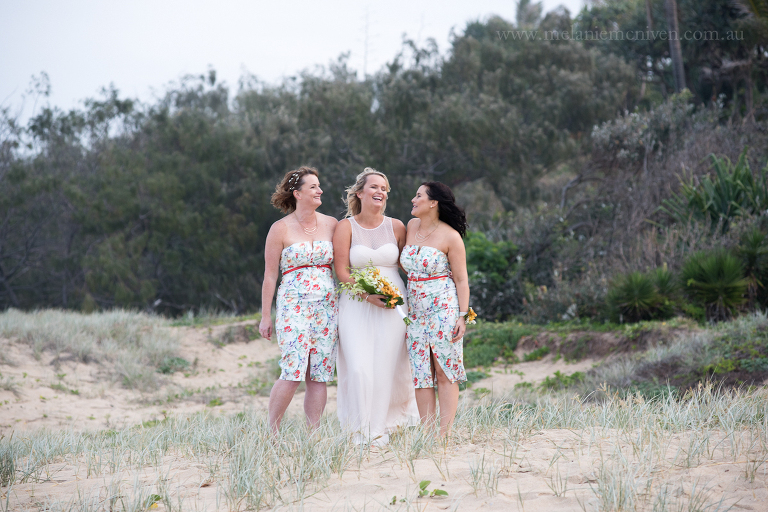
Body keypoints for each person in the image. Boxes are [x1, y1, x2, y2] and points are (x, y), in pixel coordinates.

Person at [333, 167, 419, 445]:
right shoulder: (345, 227)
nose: (380, 192)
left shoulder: (397, 226)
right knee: (358, 367)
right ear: (360, 193)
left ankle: (383, 428)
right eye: (374, 187)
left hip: (393, 306)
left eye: (384, 188)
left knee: (386, 366)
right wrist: (367, 294)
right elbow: (342, 271)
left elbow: (409, 264)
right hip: (355, 304)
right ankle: (360, 430)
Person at [259, 167, 339, 434]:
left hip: (326, 308)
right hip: (294, 306)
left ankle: (312, 436)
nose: (320, 190)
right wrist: (266, 316)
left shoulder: (332, 224)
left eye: (319, 186)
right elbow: (270, 275)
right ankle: (272, 433)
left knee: (319, 374)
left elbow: (343, 264)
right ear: (297, 193)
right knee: (293, 370)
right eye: (313, 186)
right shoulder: (279, 229)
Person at [400, 181, 469, 438]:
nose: (413, 199)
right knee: (421, 372)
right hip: (415, 311)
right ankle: (428, 434)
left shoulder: (451, 236)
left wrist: (462, 316)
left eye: (418, 195)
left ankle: (444, 434)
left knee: (444, 369)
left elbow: (461, 279)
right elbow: (406, 265)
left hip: (444, 308)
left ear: (433, 203)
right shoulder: (411, 227)